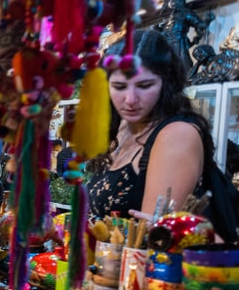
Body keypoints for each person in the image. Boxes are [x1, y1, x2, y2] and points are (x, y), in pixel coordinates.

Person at [88, 29, 206, 219]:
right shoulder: (123, 127)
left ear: (166, 83)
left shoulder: (176, 135)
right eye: (119, 87)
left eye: (144, 86)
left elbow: (152, 240)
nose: (130, 99)